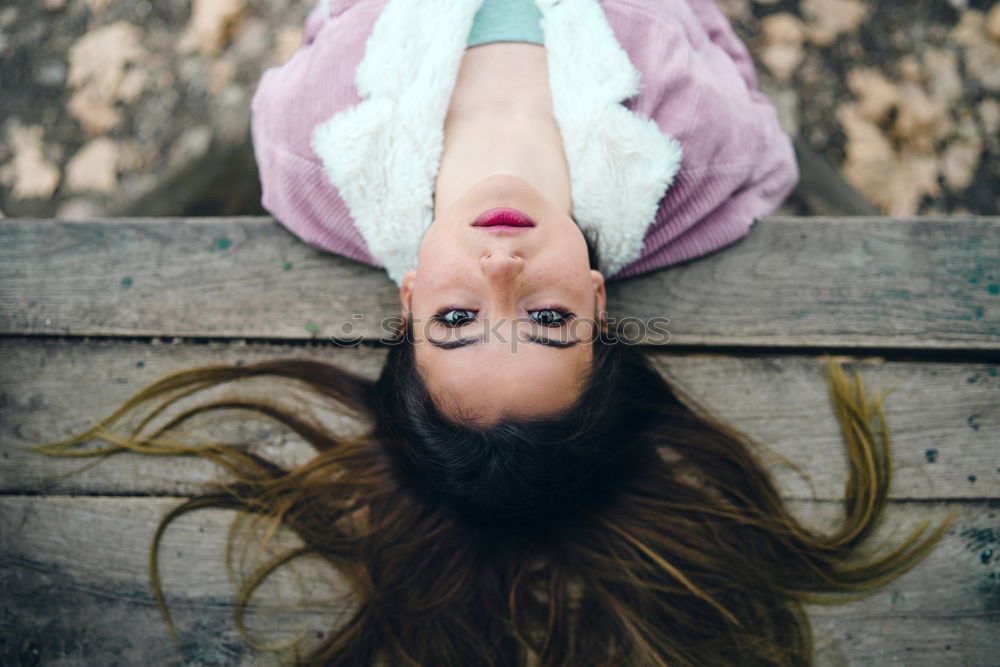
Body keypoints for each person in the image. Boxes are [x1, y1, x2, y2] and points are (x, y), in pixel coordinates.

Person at [32, 1, 950, 665]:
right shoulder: (695, 157)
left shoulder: (308, 154)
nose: (501, 273)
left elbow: (324, 26)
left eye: (458, 320)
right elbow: (734, 77)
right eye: (547, 322)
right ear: (597, 303)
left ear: (406, 301)